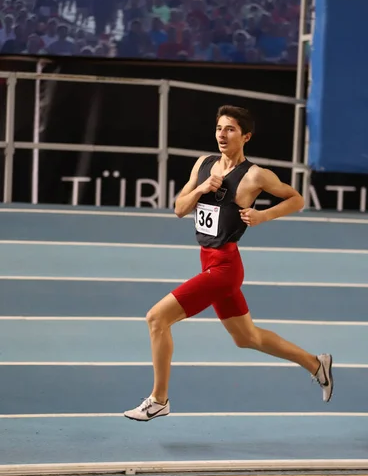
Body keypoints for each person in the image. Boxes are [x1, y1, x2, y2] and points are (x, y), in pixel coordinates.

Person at [124, 105, 333, 421]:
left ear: (246, 136)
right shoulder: (204, 164)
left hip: (224, 267)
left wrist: (263, 215)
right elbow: (179, 208)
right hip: (208, 261)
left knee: (156, 319)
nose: (222, 134)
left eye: (231, 129)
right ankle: (315, 363)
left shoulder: (254, 175)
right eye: (219, 128)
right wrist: (201, 188)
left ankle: (159, 399)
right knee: (246, 338)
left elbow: (296, 199)